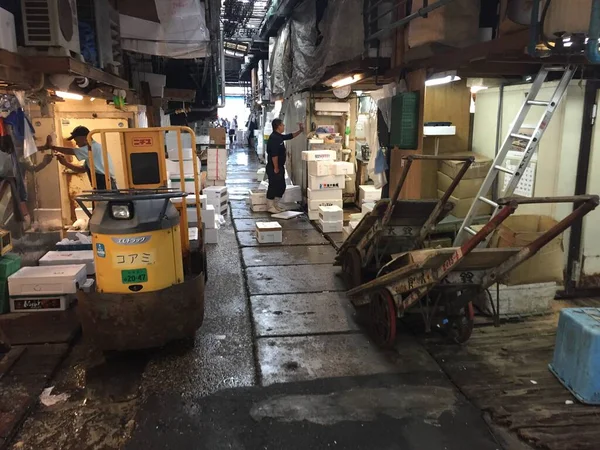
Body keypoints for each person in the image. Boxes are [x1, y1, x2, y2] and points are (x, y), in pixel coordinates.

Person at [45, 126, 117, 190]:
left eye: (77, 141)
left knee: (105, 204)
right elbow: (82, 170)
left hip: (105, 184)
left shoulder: (93, 148)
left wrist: (52, 147)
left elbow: (70, 151)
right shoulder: (90, 153)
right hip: (103, 184)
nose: (76, 144)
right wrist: (65, 163)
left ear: (84, 138)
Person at [265, 118, 303, 213]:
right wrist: (276, 167)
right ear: (278, 126)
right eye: (282, 125)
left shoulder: (279, 136)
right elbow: (274, 155)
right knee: (273, 186)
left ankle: (276, 204)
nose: (284, 126)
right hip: (274, 167)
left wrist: (300, 130)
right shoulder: (274, 138)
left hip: (279, 166)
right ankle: (270, 206)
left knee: (281, 186)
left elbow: (290, 136)